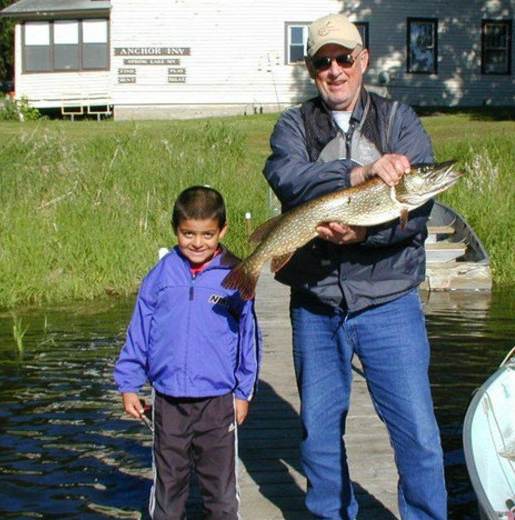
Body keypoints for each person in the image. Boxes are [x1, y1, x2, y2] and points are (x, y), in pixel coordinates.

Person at [262, 13, 447, 520]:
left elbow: (417, 213)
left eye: (345, 58)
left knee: (417, 434)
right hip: (317, 304)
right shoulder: (294, 126)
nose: (335, 70)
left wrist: (365, 231)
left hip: (389, 303)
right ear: (312, 69)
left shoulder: (398, 120)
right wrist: (360, 172)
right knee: (319, 435)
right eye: (324, 61)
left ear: (363, 60)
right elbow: (290, 180)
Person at [114, 186, 261, 520]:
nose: (198, 243)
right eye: (188, 234)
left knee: (221, 495)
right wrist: (128, 384)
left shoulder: (237, 274)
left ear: (223, 230)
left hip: (217, 401)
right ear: (175, 230)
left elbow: (249, 338)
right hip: (168, 401)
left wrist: (243, 391)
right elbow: (140, 330)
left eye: (208, 234)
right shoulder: (161, 276)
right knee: (169, 490)